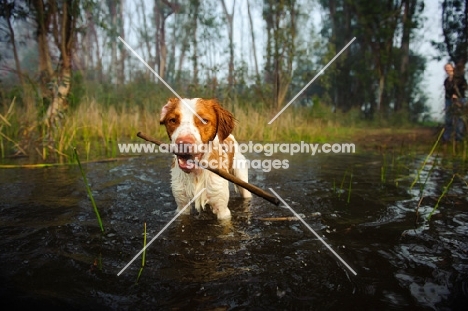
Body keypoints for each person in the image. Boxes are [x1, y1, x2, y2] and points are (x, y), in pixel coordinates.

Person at [442, 63, 467, 142]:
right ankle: (447, 138)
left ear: (452, 68)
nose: (448, 69)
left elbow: (464, 87)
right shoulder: (446, 81)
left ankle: (459, 138)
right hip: (449, 100)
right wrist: (450, 96)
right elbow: (447, 91)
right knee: (448, 119)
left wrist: (457, 94)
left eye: (449, 67)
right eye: (446, 68)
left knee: (459, 119)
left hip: (460, 99)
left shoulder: (459, 78)